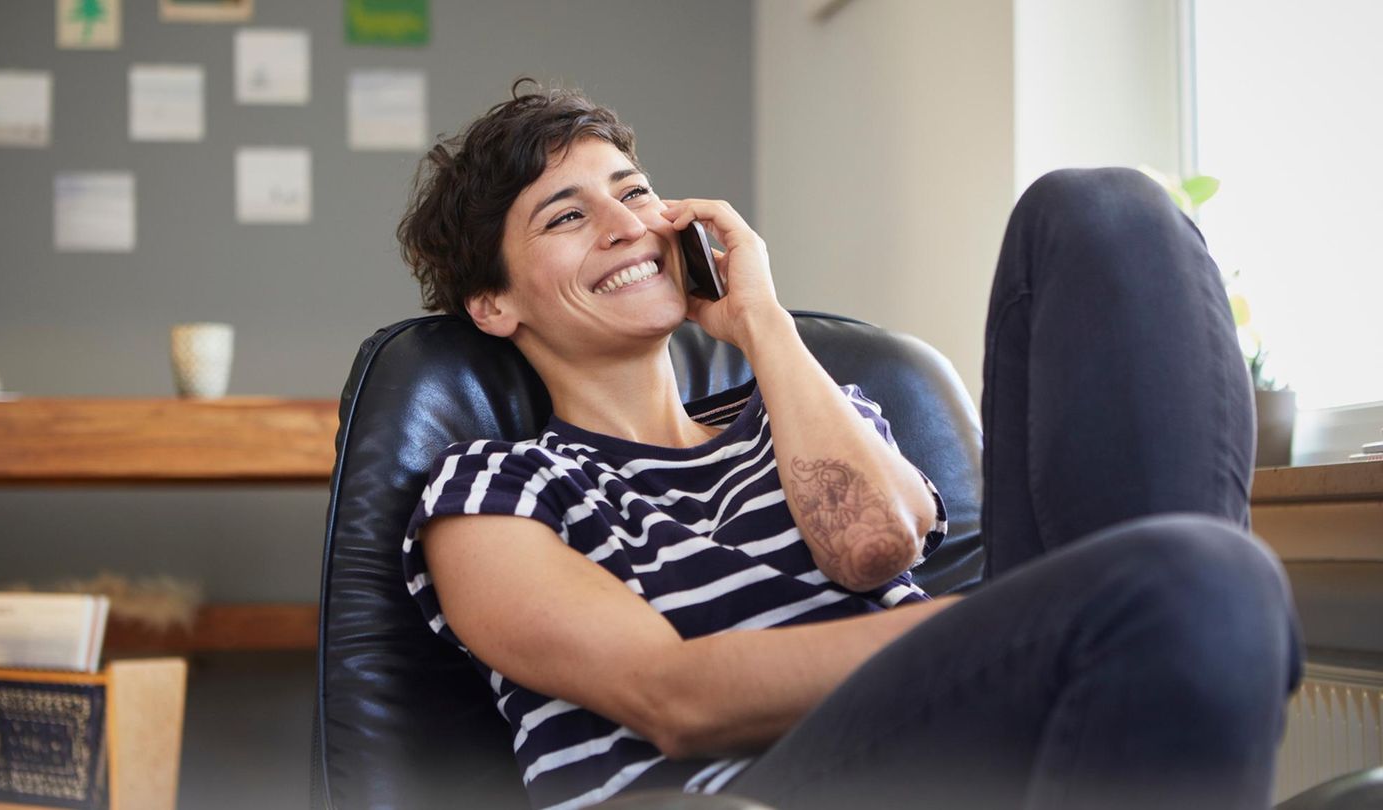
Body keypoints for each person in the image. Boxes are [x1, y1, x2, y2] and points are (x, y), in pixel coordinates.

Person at [397, 80, 1301, 810]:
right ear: (493, 304)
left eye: (634, 193)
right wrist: (1044, 619)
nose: (627, 223)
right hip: (767, 789)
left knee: (1103, 208)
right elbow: (674, 698)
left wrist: (761, 320)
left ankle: (1178, 621)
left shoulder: (806, 411)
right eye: (565, 216)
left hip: (970, 734)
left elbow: (875, 546)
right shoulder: (490, 492)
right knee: (1198, 580)